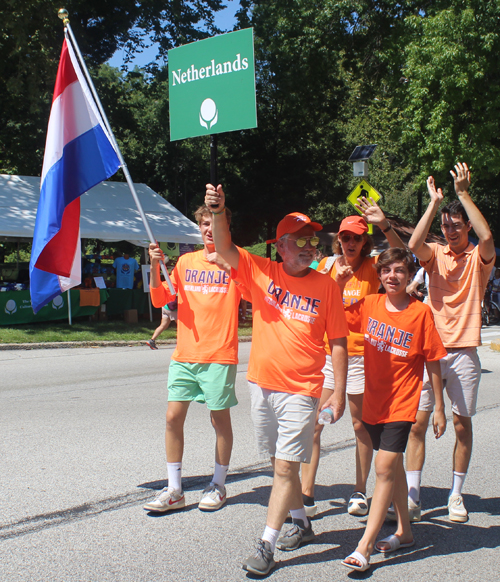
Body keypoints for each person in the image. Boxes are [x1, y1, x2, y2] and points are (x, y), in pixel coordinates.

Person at [205, 184, 349, 577]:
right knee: (276, 461)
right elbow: (225, 246)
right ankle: (301, 523)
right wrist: (217, 211)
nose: (309, 246)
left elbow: (338, 342)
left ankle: (267, 544)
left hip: (302, 391)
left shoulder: (326, 286)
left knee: (285, 469)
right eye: (300, 240)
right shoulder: (260, 272)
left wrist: (336, 391)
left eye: (314, 240)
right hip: (262, 385)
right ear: (280, 246)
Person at [340, 247, 447, 572]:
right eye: (386, 271)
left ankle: (365, 546)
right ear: (380, 275)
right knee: (394, 468)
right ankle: (406, 531)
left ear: (408, 274)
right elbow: (334, 316)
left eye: (399, 271)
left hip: (402, 404)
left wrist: (439, 407)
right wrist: (338, 284)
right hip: (374, 402)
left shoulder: (420, 313)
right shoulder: (370, 304)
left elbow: (433, 360)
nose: (392, 277)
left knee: (384, 468)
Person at [300, 198, 405, 519]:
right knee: (315, 426)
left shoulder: (374, 268)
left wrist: (385, 222)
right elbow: (312, 303)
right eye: (345, 237)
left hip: (362, 357)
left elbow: (403, 255)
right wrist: (337, 283)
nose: (349, 243)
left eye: (356, 238)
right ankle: (305, 492)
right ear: (338, 240)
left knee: (361, 425)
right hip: (329, 355)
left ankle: (359, 491)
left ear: (365, 242)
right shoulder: (327, 268)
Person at [404, 162, 495, 523]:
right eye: (446, 225)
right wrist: (434, 203)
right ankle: (413, 496)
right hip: (431, 352)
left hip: (465, 353)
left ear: (467, 227)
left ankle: (456, 495)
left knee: (461, 424)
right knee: (417, 424)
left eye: (456, 225)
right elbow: (413, 244)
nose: (450, 230)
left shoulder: (478, 258)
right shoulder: (436, 254)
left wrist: (463, 194)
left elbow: (488, 239)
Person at [143, 204, 245, 513]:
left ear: (225, 226)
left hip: (219, 354)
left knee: (219, 420)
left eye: (215, 223)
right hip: (185, 355)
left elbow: (256, 294)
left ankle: (218, 484)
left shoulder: (236, 261)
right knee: (173, 417)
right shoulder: (185, 262)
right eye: (203, 223)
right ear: (198, 228)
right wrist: (154, 267)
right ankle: (175, 489)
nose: (209, 229)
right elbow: (162, 299)